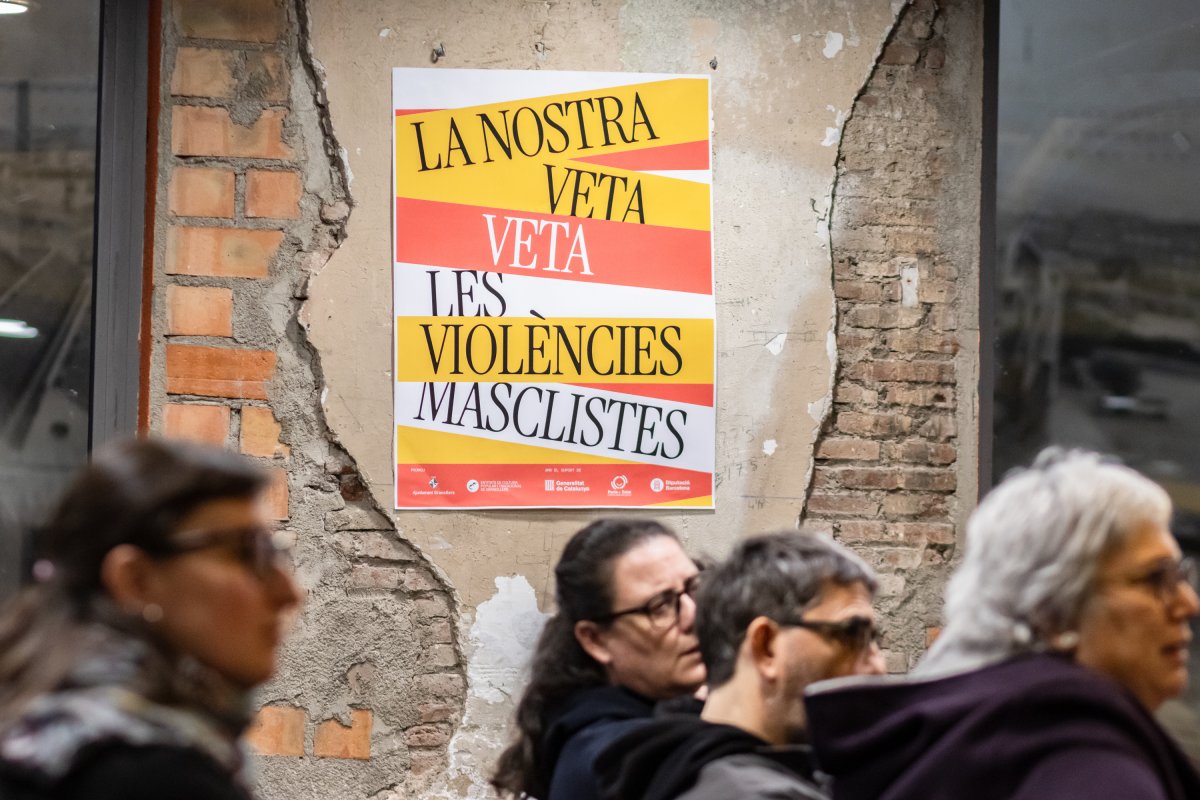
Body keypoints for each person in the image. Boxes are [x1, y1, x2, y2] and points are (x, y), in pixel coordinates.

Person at [805, 448, 1200, 800]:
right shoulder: (1089, 768)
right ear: (1050, 611)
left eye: (1181, 576)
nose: (1189, 603)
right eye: (1155, 579)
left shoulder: (943, 749)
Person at [0, 438, 301, 799]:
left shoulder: (40, 732)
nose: (289, 593)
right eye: (244, 553)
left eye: (273, 553)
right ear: (136, 580)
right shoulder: (154, 778)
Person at [595, 531, 885, 800]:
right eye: (852, 635)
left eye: (874, 639)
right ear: (766, 646)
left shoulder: (669, 765)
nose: (877, 666)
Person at [491, 518, 705, 800]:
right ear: (596, 640)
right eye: (660, 606)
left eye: (694, 588)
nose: (692, 616)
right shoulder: (617, 757)